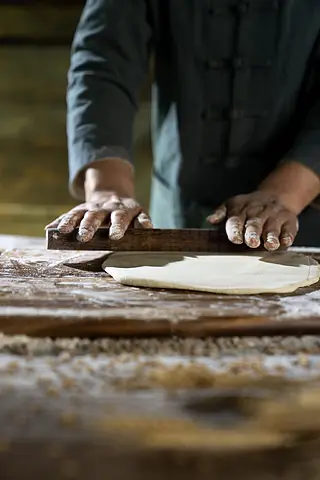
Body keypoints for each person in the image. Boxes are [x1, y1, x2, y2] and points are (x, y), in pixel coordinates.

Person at [47, 0, 320, 249]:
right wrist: (107, 188)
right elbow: (104, 61)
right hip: (177, 211)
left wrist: (286, 193)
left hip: (304, 218)